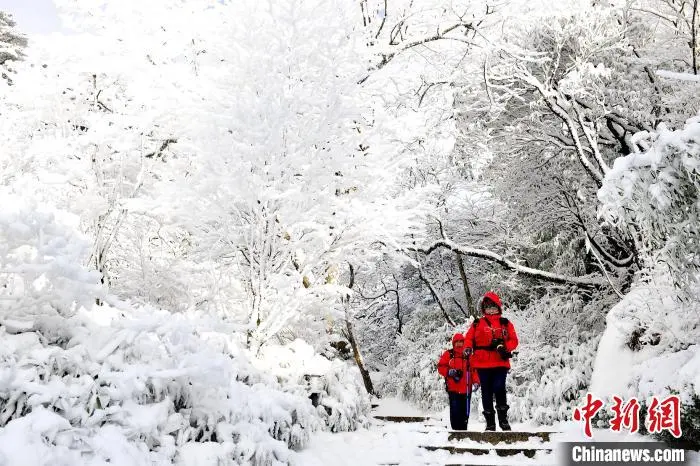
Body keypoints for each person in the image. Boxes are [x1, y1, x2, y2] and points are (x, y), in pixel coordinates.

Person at [464, 291, 519, 431]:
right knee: (486, 392)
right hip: (482, 363)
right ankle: (490, 423)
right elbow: (469, 338)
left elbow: (514, 340)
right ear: (484, 308)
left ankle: (503, 420)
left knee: (499, 388)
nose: (491, 310)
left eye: (493, 307)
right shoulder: (477, 323)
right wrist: (468, 348)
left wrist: (503, 347)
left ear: (498, 307)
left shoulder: (505, 323)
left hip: (500, 361)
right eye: (488, 307)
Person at [437, 333, 479, 430]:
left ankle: (463, 432)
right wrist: (449, 372)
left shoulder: (468, 356)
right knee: (455, 412)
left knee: (465, 414)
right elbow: (441, 367)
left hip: (466, 390)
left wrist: (476, 382)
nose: (459, 344)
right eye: (457, 342)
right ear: (453, 343)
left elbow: (474, 370)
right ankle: (456, 432)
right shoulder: (449, 354)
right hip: (453, 389)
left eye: (461, 342)